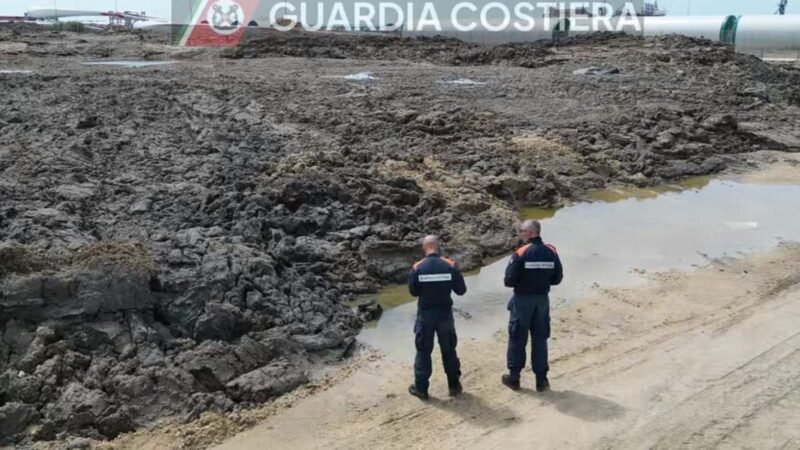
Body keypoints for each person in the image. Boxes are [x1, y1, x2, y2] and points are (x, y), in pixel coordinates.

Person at [502, 220, 563, 392]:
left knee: (517, 338)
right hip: (542, 301)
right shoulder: (551, 252)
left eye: (522, 231)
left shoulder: (521, 253)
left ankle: (514, 378)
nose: (520, 234)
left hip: (522, 301)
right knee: (540, 339)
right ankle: (541, 380)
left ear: (530, 233)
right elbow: (557, 278)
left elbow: (509, 281)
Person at [407, 235, 467, 400]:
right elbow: (461, 290)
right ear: (438, 246)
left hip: (425, 316)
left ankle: (421, 389)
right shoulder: (450, 265)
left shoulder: (417, 267)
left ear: (424, 247)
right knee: (449, 350)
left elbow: (413, 292)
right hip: (445, 315)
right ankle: (454, 386)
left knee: (423, 351)